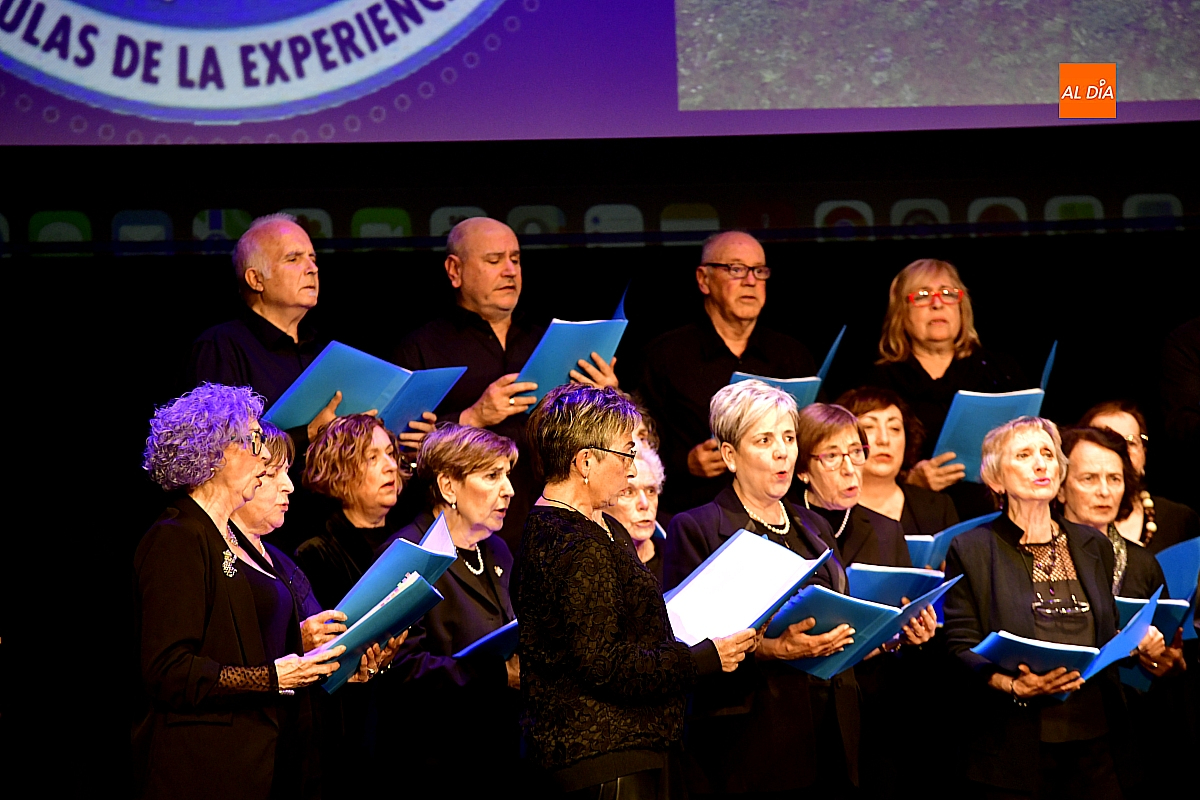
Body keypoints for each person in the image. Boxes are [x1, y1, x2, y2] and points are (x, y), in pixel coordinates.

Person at [665, 381, 936, 795]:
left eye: (789, 438)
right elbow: (686, 648)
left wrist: (891, 633)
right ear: (730, 456)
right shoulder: (697, 527)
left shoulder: (814, 525)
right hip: (753, 739)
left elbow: (839, 624)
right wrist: (775, 649)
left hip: (832, 729)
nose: (782, 452)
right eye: (764, 440)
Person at [515, 384, 757, 796]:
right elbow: (604, 664)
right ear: (585, 461)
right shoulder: (573, 544)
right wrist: (703, 658)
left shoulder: (598, 526)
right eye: (626, 453)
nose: (632, 468)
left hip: (629, 750)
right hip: (605, 762)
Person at [135, 384, 348, 800]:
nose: (263, 455)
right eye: (253, 441)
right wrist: (271, 677)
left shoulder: (224, 536)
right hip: (200, 772)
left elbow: (243, 645)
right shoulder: (177, 537)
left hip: (253, 763)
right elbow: (169, 671)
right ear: (215, 453)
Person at [942, 416, 1165, 797]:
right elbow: (960, 645)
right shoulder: (972, 548)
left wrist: (1137, 641)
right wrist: (1013, 685)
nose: (1040, 464)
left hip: (1096, 740)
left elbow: (1103, 632)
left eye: (1048, 454)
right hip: (1013, 744)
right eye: (1024, 455)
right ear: (995, 479)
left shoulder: (1093, 545)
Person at [395, 217, 619, 550]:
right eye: (494, 260)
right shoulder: (421, 348)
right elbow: (403, 451)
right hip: (466, 536)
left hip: (555, 524)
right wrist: (474, 417)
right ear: (455, 270)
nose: (510, 271)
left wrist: (609, 397)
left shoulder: (548, 340)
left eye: (515, 259)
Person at [372, 423, 523, 783]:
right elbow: (402, 668)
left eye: (507, 475)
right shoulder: (408, 555)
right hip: (434, 760)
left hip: (497, 749)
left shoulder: (496, 548)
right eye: (492, 476)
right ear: (448, 486)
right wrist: (499, 674)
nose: (509, 489)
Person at [639, 231, 817, 515]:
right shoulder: (665, 356)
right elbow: (640, 443)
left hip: (780, 511)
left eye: (759, 271)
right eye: (736, 269)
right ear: (703, 279)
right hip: (695, 511)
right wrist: (684, 464)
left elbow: (816, 434)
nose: (750, 281)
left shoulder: (792, 355)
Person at [869, 258, 1026, 518]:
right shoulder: (879, 381)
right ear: (901, 312)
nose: (937, 303)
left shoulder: (1000, 371)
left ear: (962, 308)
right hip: (913, 511)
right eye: (922, 296)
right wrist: (909, 480)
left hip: (994, 510)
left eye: (948, 294)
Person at [294, 414, 404, 609]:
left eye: (390, 453)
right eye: (372, 458)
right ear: (339, 473)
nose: (392, 466)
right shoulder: (316, 556)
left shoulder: (410, 535)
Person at [791, 402, 914, 569]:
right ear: (802, 470)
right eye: (832, 456)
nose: (849, 469)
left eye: (856, 452)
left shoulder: (888, 532)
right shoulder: (784, 525)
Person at [1079, 400, 1200, 554]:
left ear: (1144, 453)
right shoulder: (1064, 525)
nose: (1120, 452)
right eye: (1106, 442)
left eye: (1130, 442)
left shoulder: (1180, 520)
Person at [836, 386, 960, 537]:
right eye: (868, 427)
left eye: (894, 428)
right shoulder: (830, 509)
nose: (884, 440)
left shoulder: (938, 507)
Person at [607, 445, 668, 582]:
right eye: (628, 492)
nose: (644, 504)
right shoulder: (596, 567)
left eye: (651, 491)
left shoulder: (676, 555)